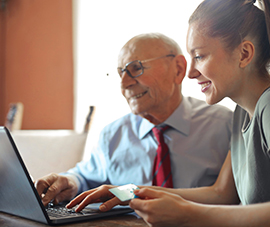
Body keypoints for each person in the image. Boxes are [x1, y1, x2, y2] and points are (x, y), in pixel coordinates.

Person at [66, 0, 270, 226]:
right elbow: (221, 194)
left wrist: (188, 215)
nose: (190, 72)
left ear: (244, 54)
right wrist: (128, 192)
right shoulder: (242, 113)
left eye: (200, 56)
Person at [35, 33, 234, 207]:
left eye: (136, 68)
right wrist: (69, 182)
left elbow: (232, 197)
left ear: (178, 69)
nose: (124, 83)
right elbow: (85, 177)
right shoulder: (113, 134)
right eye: (121, 72)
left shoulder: (224, 125)